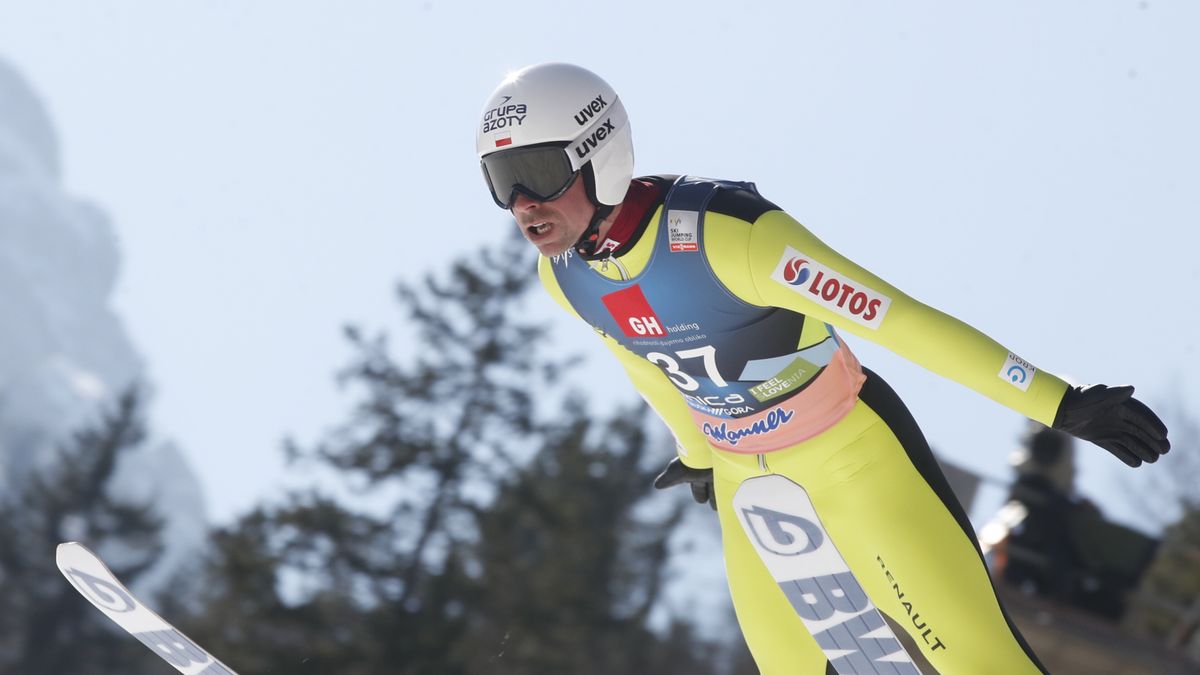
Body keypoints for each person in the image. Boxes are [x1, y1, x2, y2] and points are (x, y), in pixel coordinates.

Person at [474, 62, 1170, 675]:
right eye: (502, 182)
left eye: (538, 173)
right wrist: (698, 455)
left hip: (852, 459)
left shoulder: (732, 236)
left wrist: (1056, 401)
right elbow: (643, 360)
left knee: (978, 660)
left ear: (600, 154)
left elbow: (899, 320)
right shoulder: (564, 277)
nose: (523, 203)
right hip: (749, 487)